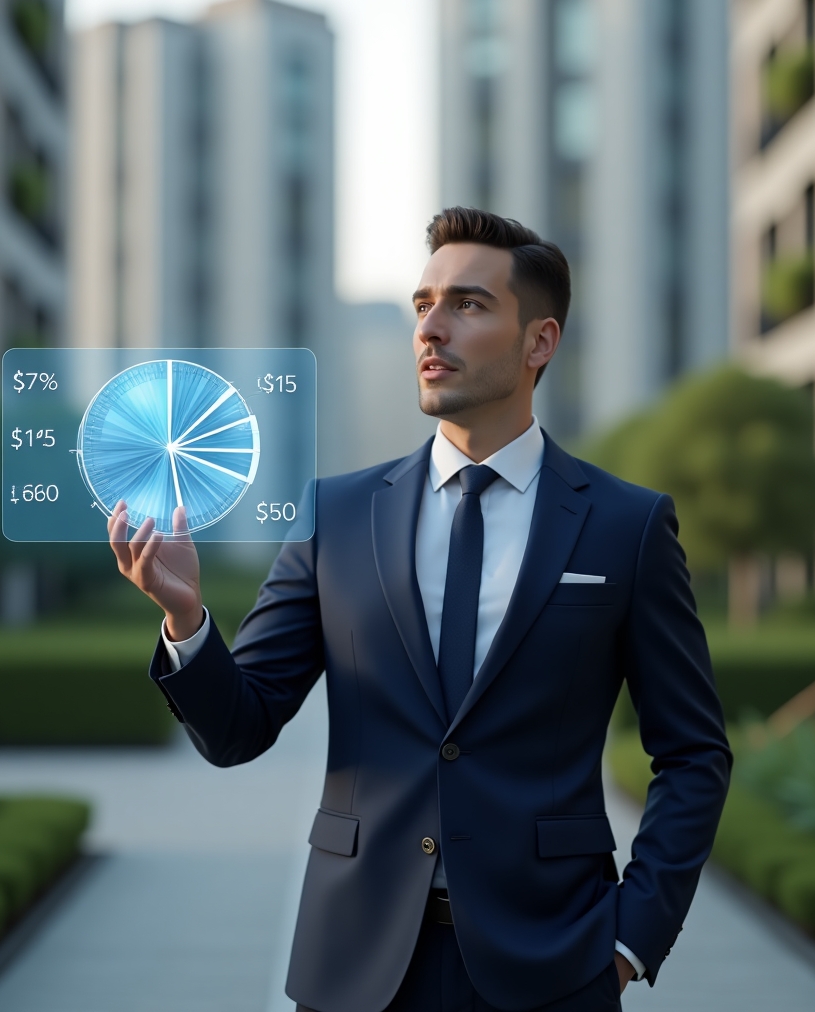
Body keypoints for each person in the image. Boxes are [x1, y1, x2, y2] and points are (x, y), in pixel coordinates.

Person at [108, 207, 731, 1012]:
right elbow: (239, 728)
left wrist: (627, 940)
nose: (432, 328)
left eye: (468, 304)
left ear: (539, 342)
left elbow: (693, 755)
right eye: (423, 304)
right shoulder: (337, 513)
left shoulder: (626, 526)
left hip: (554, 964)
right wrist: (187, 622)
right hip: (357, 964)